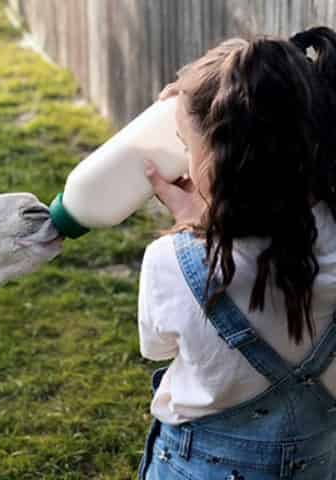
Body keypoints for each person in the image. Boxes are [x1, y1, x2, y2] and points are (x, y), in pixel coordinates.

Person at [137, 27, 336, 479]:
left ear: (215, 160)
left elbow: (156, 347)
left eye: (189, 146)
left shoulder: (172, 263)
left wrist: (195, 229)